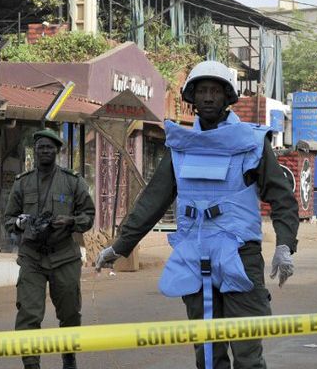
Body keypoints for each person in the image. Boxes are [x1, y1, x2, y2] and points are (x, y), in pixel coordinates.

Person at [96, 61, 299, 369]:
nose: (207, 98)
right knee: (206, 354)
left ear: (227, 97)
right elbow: (153, 200)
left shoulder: (252, 142)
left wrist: (285, 245)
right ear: (191, 97)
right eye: (201, 91)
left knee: (247, 352)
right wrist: (120, 246)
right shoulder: (181, 145)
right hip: (194, 255)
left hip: (240, 255)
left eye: (214, 91)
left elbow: (282, 197)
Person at [5, 129, 95, 369]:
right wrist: (20, 223)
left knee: (70, 314)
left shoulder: (72, 181)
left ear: (58, 151)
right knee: (28, 314)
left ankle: (69, 358)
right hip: (32, 257)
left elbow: (88, 215)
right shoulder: (22, 183)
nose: (45, 151)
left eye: (49, 147)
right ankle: (31, 364)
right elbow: (8, 219)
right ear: (34, 151)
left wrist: (71, 222)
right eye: (40, 147)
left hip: (64, 256)